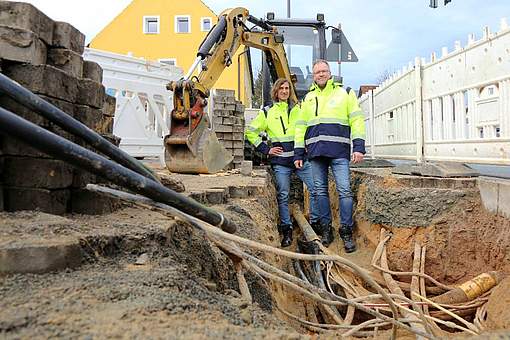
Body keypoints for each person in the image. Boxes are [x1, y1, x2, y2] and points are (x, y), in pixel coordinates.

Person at [294, 59, 365, 253]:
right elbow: (300, 127)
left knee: (344, 191)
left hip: (339, 152)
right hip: (316, 154)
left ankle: (346, 230)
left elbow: (357, 120)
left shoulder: (345, 93)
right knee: (319, 192)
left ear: (330, 72)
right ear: (314, 75)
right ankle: (327, 230)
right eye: (317, 72)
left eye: (324, 71)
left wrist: (358, 147)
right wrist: (298, 152)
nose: (321, 74)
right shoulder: (307, 98)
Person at [246, 78, 319, 247]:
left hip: (300, 159)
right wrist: (266, 149)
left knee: (315, 189)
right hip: (280, 162)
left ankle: (314, 224)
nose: (285, 91)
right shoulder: (267, 112)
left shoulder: (298, 109)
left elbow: (308, 129)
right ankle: (286, 229)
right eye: (282, 88)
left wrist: (307, 146)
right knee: (283, 196)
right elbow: (250, 132)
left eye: (287, 88)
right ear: (276, 91)